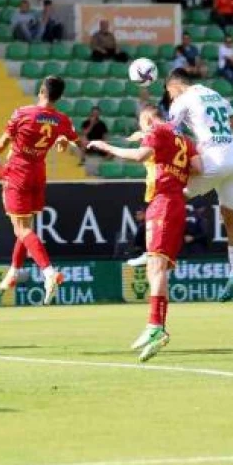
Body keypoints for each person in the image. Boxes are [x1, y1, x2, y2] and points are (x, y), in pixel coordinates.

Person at [87, 106, 201, 363]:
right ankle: (155, 325)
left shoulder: (158, 131)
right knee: (154, 267)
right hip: (175, 203)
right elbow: (198, 167)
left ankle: (156, 327)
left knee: (157, 267)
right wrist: (173, 163)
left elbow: (141, 156)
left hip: (163, 202)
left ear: (147, 119)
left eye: (143, 123)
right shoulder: (184, 138)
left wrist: (108, 148)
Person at [0, 76, 79, 302]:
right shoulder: (61, 119)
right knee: (27, 227)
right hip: (38, 173)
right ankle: (13, 272)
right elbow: (73, 142)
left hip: (18, 172)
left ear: (41, 91)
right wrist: (63, 141)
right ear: (58, 96)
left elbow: (5, 141)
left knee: (21, 229)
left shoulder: (23, 113)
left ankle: (49, 272)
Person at [165, 68, 233, 301]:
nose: (170, 98)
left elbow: (171, 134)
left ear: (174, 85)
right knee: (231, 217)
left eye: (169, 93)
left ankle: (163, 257)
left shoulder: (181, 100)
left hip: (213, 158)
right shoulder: (214, 94)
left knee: (171, 199)